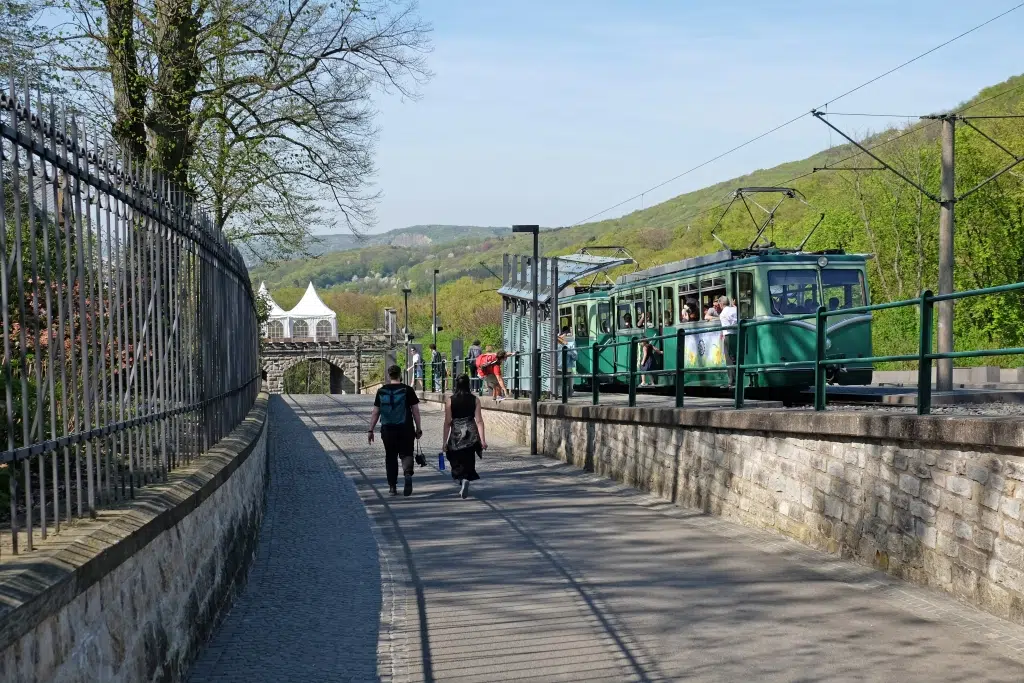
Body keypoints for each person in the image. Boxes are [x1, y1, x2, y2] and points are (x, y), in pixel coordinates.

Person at [368, 365, 423, 496]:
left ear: (389, 375)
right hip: (406, 428)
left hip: (387, 429)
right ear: (400, 375)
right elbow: (415, 411)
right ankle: (408, 473)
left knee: (390, 456)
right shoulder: (408, 390)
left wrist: (370, 430)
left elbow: (375, 412)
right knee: (406, 453)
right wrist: (419, 428)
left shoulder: (382, 391)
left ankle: (392, 487)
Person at [443, 374, 487, 499]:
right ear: (468, 384)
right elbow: (479, 421)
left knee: (454, 456)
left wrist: (444, 441)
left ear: (456, 384)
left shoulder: (450, 400)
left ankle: (462, 479)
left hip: (456, 433)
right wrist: (482, 440)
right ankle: (466, 478)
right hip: (470, 433)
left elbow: (447, 422)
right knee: (469, 457)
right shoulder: (475, 399)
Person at [719, 296, 739, 387]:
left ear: (721, 304)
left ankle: (732, 380)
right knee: (735, 356)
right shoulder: (735, 309)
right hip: (737, 334)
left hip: (728, 335)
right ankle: (738, 377)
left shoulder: (723, 313)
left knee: (729, 358)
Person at [557, 326, 577, 397]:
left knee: (559, 382)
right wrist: (568, 347)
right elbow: (575, 357)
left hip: (557, 366)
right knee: (567, 383)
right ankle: (566, 395)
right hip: (567, 366)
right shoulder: (571, 341)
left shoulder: (554, 341)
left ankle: (561, 395)